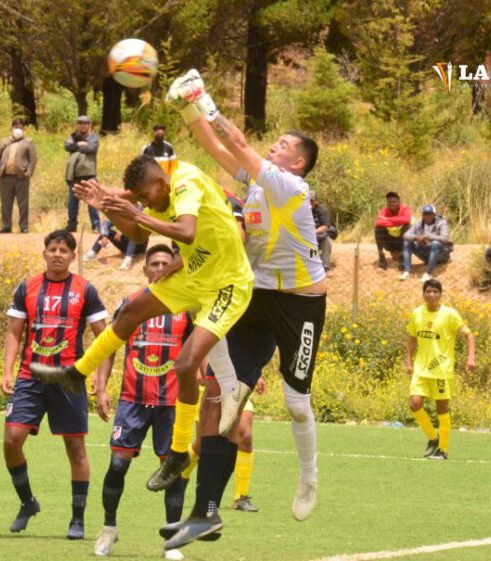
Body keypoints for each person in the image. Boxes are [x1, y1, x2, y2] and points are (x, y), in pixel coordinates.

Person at [31, 155, 254, 548]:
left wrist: (129, 206)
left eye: (145, 196)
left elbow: (184, 232)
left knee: (185, 363)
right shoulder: (159, 186)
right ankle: (76, 374)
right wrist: (109, 205)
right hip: (194, 277)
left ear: (158, 181)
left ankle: (179, 454)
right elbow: (136, 227)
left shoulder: (184, 180)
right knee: (132, 310)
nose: (146, 204)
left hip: (228, 285)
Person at [161, 68, 327, 544]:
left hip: (299, 305)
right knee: (218, 400)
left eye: (281, 146)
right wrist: (188, 110)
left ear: (296, 164)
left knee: (296, 404)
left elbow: (234, 142)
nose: (273, 147)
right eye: (272, 144)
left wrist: (205, 99)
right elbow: (216, 148)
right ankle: (205, 512)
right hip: (256, 296)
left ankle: (309, 476)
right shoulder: (258, 186)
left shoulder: (290, 187)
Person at [0, 230, 108, 540]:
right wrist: (7, 370)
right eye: (52, 249)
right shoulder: (28, 287)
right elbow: (14, 332)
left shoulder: (85, 290)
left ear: (73, 256)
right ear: (44, 253)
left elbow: (105, 337)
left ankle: (77, 519)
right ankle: (27, 502)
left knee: (75, 448)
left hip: (68, 381)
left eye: (64, 249)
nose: (57, 254)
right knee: (11, 439)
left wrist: (101, 384)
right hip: (30, 377)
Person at [92, 244, 193, 560]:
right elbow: (108, 346)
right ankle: (109, 528)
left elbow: (200, 350)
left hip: (171, 404)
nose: (160, 266)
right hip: (133, 400)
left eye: (166, 262)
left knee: (173, 470)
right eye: (155, 263)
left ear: (173, 267)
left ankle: (173, 538)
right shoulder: (131, 304)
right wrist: (102, 387)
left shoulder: (187, 307)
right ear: (145, 268)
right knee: (117, 464)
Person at [405, 279, 476, 461]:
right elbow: (412, 338)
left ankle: (443, 450)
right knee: (414, 403)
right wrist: (408, 361)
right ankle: (433, 438)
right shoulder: (417, 314)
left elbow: (468, 335)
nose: (431, 295)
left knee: (442, 409)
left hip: (441, 369)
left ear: (440, 294)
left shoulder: (450, 314)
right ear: (423, 294)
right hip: (421, 369)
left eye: (435, 292)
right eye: (428, 291)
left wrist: (471, 358)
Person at [229, 376, 266, 513]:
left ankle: (240, 497)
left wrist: (256, 375)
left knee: (245, 436)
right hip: (212, 382)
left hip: (239, 384)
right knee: (202, 445)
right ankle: (181, 481)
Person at [0, 118, 37, 233]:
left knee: (23, 203)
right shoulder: (4, 141)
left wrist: (28, 173)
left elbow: (33, 160)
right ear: (11, 128)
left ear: (24, 129)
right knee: (6, 203)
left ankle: (24, 226)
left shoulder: (28, 142)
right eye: (16, 127)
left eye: (20, 128)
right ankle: (6, 226)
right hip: (5, 177)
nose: (18, 130)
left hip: (21, 177)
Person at [64, 115, 101, 232]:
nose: (82, 125)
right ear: (77, 125)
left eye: (85, 123)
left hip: (89, 174)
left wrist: (75, 147)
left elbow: (92, 149)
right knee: (73, 203)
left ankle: (96, 225)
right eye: (80, 123)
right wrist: (80, 145)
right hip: (74, 175)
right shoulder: (72, 136)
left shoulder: (94, 137)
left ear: (89, 125)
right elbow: (67, 146)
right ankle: (72, 225)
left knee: (93, 202)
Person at [401, 205, 452, 282]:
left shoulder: (442, 223)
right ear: (422, 215)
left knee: (435, 243)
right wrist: (416, 238)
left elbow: (445, 238)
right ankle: (407, 271)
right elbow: (405, 235)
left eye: (430, 213)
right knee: (407, 242)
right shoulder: (419, 223)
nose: (427, 216)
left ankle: (428, 273)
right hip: (426, 254)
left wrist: (427, 236)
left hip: (440, 255)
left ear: (434, 214)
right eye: (425, 214)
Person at [375, 192, 412, 270]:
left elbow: (407, 219)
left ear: (399, 202)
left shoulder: (406, 209)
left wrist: (388, 219)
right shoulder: (383, 211)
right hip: (389, 241)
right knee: (378, 228)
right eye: (389, 202)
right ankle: (381, 256)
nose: (392, 204)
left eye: (394, 202)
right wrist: (398, 221)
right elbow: (378, 222)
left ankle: (403, 257)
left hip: (401, 241)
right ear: (387, 203)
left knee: (407, 226)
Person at [310, 192, 334, 270]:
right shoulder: (303, 210)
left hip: (319, 234)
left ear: (317, 201)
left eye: (312, 200)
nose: (310, 202)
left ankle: (326, 267)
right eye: (309, 200)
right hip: (306, 236)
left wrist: (314, 232)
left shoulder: (322, 210)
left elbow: (325, 226)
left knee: (326, 241)